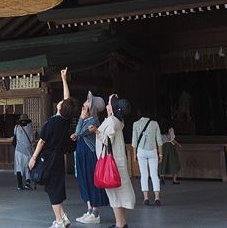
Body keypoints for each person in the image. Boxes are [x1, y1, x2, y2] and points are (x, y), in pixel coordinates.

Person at [29, 68, 77, 228]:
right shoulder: (65, 120)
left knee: (52, 189)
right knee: (55, 186)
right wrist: (64, 79)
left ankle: (58, 221)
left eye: (62, 103)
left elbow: (41, 141)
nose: (62, 101)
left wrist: (33, 157)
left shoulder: (52, 123)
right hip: (57, 159)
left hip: (47, 159)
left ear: (60, 108)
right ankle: (63, 217)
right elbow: (67, 100)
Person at [65, 69, 108, 224]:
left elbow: (79, 132)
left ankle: (95, 212)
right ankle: (89, 209)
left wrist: (81, 119)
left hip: (90, 155)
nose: (85, 102)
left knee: (91, 180)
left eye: (88, 102)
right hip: (82, 152)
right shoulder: (87, 119)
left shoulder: (93, 121)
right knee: (84, 180)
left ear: (92, 108)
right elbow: (77, 135)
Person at [91, 94, 135, 228]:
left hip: (113, 162)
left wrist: (96, 131)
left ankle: (120, 224)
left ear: (113, 108)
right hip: (118, 161)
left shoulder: (111, 122)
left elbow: (107, 139)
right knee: (119, 193)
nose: (107, 105)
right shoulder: (117, 121)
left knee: (115, 194)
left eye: (109, 103)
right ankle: (121, 223)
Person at [131, 111, 163, 205]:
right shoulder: (154, 124)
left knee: (144, 175)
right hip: (152, 151)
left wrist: (134, 154)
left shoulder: (135, 124)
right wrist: (160, 154)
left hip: (141, 151)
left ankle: (146, 198)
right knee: (154, 174)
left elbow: (134, 141)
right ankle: (157, 197)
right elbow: (159, 141)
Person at [13, 113, 34, 190]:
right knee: (28, 166)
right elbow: (32, 139)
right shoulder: (30, 127)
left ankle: (19, 185)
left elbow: (15, 136)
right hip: (28, 150)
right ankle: (28, 183)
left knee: (19, 166)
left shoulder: (16, 127)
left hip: (18, 150)